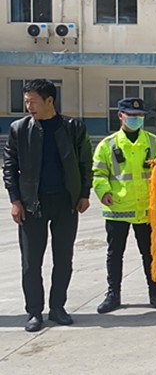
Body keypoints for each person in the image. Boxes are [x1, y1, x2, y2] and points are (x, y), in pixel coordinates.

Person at [2, 79, 93, 332]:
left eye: (32, 101)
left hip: (65, 203)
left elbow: (85, 163)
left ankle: (57, 308)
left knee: (63, 259)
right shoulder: (20, 129)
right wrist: (15, 200)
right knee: (31, 262)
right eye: (26, 101)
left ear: (49, 100)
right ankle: (34, 312)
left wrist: (84, 193)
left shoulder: (73, 128)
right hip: (32, 204)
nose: (28, 106)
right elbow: (9, 166)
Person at [92, 97, 156, 314]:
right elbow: (99, 173)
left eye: (140, 115)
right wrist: (103, 191)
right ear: (120, 116)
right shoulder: (107, 145)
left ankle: (155, 292)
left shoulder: (153, 142)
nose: (136, 119)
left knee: (150, 253)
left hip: (146, 208)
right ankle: (113, 295)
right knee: (115, 254)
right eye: (132, 115)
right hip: (118, 208)